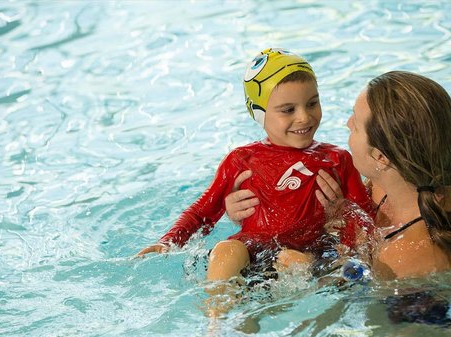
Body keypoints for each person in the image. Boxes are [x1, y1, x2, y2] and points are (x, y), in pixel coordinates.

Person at [137, 48, 373, 314]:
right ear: (258, 112)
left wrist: (342, 216)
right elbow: (203, 212)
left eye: (312, 103)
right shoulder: (242, 160)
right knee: (226, 251)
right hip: (251, 253)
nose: (304, 117)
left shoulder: (337, 160)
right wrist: (169, 241)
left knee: (293, 260)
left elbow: (365, 216)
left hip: (305, 255)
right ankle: (216, 320)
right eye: (288, 110)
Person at [226, 70, 451, 280]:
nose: (347, 124)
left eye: (355, 123)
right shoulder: (443, 171)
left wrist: (312, 274)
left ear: (380, 157)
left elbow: (364, 302)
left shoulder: (409, 254)